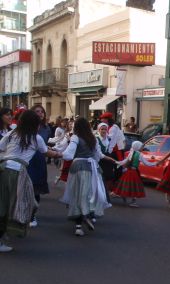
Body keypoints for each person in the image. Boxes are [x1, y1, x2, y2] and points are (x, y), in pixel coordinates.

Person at [0, 110, 62, 251]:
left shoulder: (12, 134)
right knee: (23, 204)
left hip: (4, 169)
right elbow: (47, 152)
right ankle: (7, 234)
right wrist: (61, 154)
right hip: (17, 172)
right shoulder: (36, 138)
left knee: (5, 204)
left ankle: (5, 234)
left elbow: (0, 147)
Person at [60, 118, 115, 236]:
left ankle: (78, 226)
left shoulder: (75, 137)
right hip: (93, 168)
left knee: (77, 195)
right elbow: (97, 155)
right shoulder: (93, 138)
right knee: (90, 194)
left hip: (79, 167)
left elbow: (69, 154)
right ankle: (88, 214)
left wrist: (57, 154)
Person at [27, 104, 52, 228]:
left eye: (42, 111)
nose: (40, 113)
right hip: (28, 159)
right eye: (37, 111)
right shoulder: (26, 127)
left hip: (39, 159)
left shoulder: (46, 128)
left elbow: (44, 145)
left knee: (36, 188)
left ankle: (33, 214)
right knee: (26, 186)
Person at [113, 141, 159, 207]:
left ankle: (124, 195)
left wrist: (117, 162)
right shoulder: (139, 154)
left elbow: (125, 161)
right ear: (138, 147)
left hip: (128, 172)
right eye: (141, 147)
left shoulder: (131, 152)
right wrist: (155, 163)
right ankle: (133, 202)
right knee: (135, 187)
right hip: (134, 172)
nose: (142, 148)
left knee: (126, 185)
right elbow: (147, 163)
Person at [95, 123, 116, 197]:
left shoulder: (109, 139)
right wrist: (110, 159)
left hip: (108, 161)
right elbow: (99, 154)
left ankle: (105, 193)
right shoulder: (96, 139)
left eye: (105, 129)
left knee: (109, 177)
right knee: (100, 177)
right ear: (99, 130)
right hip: (100, 161)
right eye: (102, 129)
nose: (104, 131)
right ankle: (99, 194)